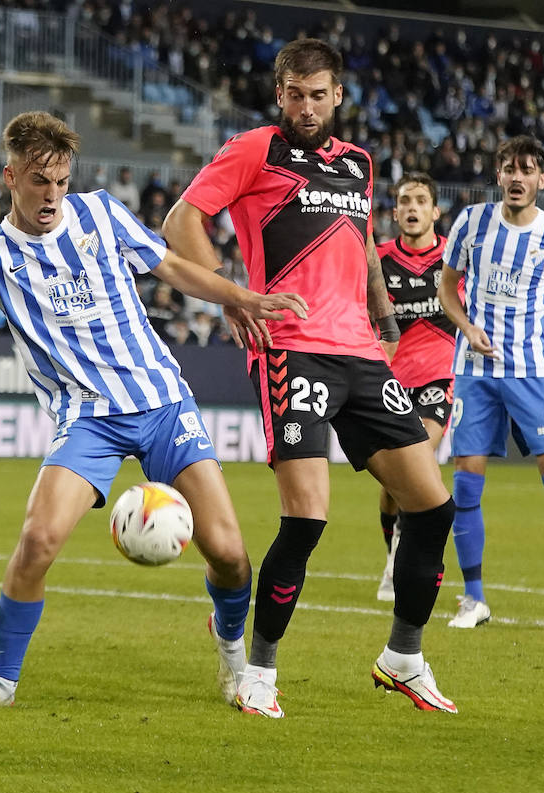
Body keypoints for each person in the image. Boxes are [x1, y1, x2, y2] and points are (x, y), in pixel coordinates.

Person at [0, 111, 307, 711]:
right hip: (87, 419)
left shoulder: (100, 212)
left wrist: (240, 297)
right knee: (37, 542)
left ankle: (234, 652)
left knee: (231, 556)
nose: (51, 194)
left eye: (59, 180)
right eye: (37, 181)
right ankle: (2, 682)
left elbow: (169, 265)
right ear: (10, 177)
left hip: (161, 402)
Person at [162, 38, 459, 717]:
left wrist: (383, 322)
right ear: (280, 95)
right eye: (294, 94)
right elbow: (182, 220)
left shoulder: (359, 164)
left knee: (433, 507)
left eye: (317, 94)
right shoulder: (253, 150)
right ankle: (258, 672)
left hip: (361, 354)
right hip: (290, 348)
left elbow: (361, 253)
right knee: (307, 520)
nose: (305, 105)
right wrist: (230, 294)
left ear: (338, 97)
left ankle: (404, 657)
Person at [438, 135, 544, 633]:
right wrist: (466, 327)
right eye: (509, 168)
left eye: (527, 169)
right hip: (476, 372)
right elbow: (446, 287)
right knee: (465, 484)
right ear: (498, 175)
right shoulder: (471, 223)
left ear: (542, 180)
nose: (517, 177)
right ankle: (474, 597)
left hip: (534, 370)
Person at [371, 172, 456, 602]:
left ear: (435, 211)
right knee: (391, 482)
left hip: (439, 378)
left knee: (419, 455)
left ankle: (408, 558)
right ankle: (392, 554)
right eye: (405, 200)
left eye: (421, 200)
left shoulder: (454, 261)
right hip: (389, 382)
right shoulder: (379, 260)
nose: (411, 207)